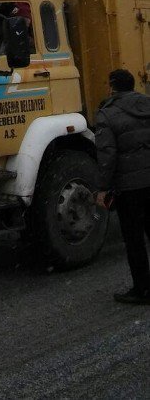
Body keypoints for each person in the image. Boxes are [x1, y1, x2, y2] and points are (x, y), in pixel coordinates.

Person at [95, 68, 150, 305]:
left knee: (134, 240)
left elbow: (107, 156)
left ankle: (143, 290)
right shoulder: (147, 104)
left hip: (129, 188)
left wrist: (103, 188)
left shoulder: (107, 114)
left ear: (112, 87)